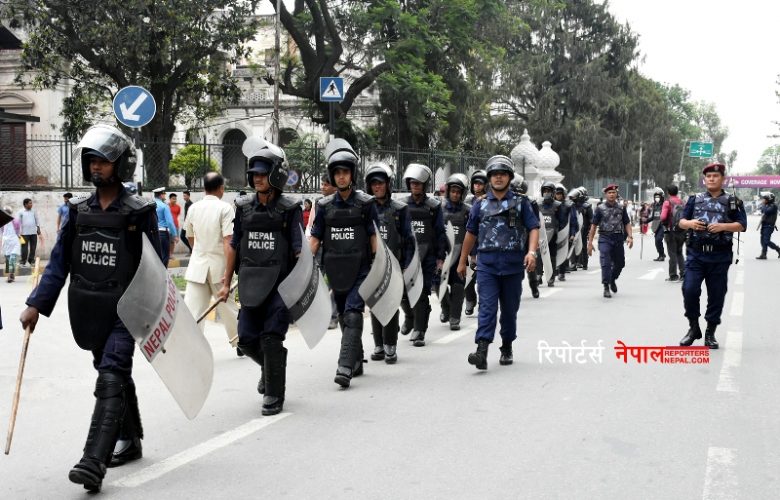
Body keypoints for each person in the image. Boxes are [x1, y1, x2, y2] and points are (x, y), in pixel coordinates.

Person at [19, 124, 162, 492]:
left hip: (125, 310)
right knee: (110, 370)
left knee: (111, 371)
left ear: (121, 165)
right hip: (89, 309)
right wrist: (36, 304)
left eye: (104, 161)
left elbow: (155, 267)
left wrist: (152, 314)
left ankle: (93, 461)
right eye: (91, 160)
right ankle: (130, 439)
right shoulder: (78, 211)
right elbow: (58, 264)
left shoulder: (140, 212)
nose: (96, 166)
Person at [219, 139, 302, 414]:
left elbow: (299, 250)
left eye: (263, 174)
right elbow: (234, 245)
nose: (257, 178)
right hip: (251, 283)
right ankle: (271, 367)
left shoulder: (289, 209)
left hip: (280, 286)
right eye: (254, 174)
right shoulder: (243, 207)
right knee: (245, 340)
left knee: (271, 338)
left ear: (276, 175)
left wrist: (303, 287)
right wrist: (225, 283)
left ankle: (274, 395)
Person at [457, 155, 539, 370]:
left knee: (509, 311)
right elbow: (470, 233)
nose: (498, 178)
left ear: (509, 177)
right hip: (487, 266)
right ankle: (481, 351)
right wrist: (462, 261)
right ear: (489, 178)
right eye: (494, 174)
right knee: (487, 307)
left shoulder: (521, 203)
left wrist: (531, 252)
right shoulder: (480, 204)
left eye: (503, 174)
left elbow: (533, 228)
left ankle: (507, 346)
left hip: (513, 266)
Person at [309, 139, 379, 388]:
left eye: (345, 172)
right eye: (337, 172)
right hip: (335, 270)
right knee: (342, 314)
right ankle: (357, 359)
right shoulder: (324, 206)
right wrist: (303, 265)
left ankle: (345, 366)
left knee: (353, 312)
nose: (341, 176)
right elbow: (315, 238)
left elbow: (373, 235)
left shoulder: (365, 204)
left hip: (361, 269)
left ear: (352, 174)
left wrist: (376, 264)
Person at [678, 162, 746, 348]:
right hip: (696, 255)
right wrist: (690, 223)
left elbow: (742, 225)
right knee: (689, 290)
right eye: (708, 176)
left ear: (723, 179)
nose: (711, 179)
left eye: (715, 176)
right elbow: (681, 221)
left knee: (717, 295)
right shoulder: (694, 199)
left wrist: (723, 226)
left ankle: (710, 332)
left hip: (720, 257)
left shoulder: (733, 201)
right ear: (704, 179)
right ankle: (693, 327)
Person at [183, 172, 240, 356]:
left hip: (197, 267)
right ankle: (240, 341)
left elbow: (189, 236)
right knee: (228, 308)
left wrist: (198, 252)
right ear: (221, 188)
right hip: (219, 267)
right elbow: (228, 241)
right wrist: (229, 271)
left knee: (193, 311)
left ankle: (192, 348)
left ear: (204, 188)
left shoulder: (194, 208)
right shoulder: (225, 208)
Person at [365, 162, 415, 363]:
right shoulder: (365, 208)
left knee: (391, 304)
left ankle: (390, 345)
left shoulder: (400, 209)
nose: (377, 187)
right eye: (374, 184)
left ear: (388, 184)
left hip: (395, 265)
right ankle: (378, 344)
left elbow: (409, 239)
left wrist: (407, 265)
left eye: (381, 183)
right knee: (375, 304)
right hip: (372, 266)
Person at [400, 163, 446, 347]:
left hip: (428, 257)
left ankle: (420, 331)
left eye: (418, 183)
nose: (415, 186)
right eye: (412, 183)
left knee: (421, 293)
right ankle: (410, 317)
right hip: (406, 256)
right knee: (403, 293)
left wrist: (440, 258)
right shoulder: (402, 205)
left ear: (425, 185)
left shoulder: (434, 206)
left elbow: (440, 233)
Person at [587, 184, 634, 298]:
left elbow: (627, 223)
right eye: (609, 193)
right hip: (605, 238)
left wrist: (630, 236)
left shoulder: (621, 208)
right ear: (606, 194)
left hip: (618, 238)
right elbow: (593, 226)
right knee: (606, 262)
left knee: (620, 263)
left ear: (616, 194)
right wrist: (590, 242)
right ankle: (606, 286)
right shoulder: (600, 208)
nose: (612, 194)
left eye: (613, 192)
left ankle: (612, 279)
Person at [439, 173, 471, 330]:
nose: (455, 194)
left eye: (458, 192)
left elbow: (472, 234)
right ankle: (446, 308)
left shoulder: (468, 211)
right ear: (448, 191)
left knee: (458, 287)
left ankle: (455, 318)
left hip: (460, 256)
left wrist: (473, 255)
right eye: (453, 191)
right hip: (442, 255)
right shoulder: (439, 209)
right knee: (439, 285)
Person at [534, 181, 565, 289]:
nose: (546, 193)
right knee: (539, 255)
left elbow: (562, 222)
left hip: (553, 235)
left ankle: (551, 276)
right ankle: (538, 275)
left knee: (551, 255)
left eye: (548, 191)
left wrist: (561, 233)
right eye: (545, 191)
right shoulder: (538, 205)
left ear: (553, 193)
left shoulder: (558, 205)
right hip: (541, 234)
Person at [464, 169, 487, 315]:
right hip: (469, 242)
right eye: (475, 183)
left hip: (485, 244)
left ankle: (482, 303)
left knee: (483, 279)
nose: (477, 186)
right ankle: (470, 300)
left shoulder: (490, 202)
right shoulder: (467, 202)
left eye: (480, 183)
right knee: (467, 276)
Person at [660, 185, 686, 280]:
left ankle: (673, 275)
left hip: (671, 231)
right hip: (682, 231)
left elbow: (663, 217)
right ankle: (683, 274)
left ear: (668, 192)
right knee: (679, 252)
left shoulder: (668, 202)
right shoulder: (682, 202)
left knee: (672, 254)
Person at [554, 184, 578, 281]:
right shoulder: (551, 204)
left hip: (565, 232)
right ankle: (553, 270)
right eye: (556, 194)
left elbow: (573, 221)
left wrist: (572, 233)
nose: (558, 195)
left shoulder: (569, 205)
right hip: (553, 232)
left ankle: (562, 273)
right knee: (553, 253)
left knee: (563, 253)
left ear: (563, 194)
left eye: (560, 194)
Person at [152, 187, 178, 267]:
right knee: (165, 256)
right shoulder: (164, 206)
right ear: (161, 195)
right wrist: (175, 235)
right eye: (164, 194)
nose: (165, 196)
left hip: (153, 233)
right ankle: (162, 273)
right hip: (163, 233)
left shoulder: (150, 205)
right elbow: (170, 222)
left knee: (156, 256)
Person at [571, 187, 594, 271]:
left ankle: (584, 264)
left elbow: (592, 220)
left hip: (584, 230)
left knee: (583, 246)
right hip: (574, 229)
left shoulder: (587, 207)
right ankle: (573, 263)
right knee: (573, 247)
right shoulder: (572, 206)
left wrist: (590, 231)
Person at [17, 198, 40, 267]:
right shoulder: (20, 212)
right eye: (30, 203)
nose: (31, 204)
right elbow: (18, 223)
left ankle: (31, 260)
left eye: (31, 203)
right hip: (24, 233)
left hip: (33, 232)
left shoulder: (34, 211)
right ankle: (23, 261)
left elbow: (37, 220)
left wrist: (38, 228)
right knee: (24, 248)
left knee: (33, 247)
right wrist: (18, 233)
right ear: (25, 204)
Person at [756, 192, 780, 259]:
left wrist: (763, 206)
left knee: (766, 241)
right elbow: (762, 210)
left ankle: (778, 249)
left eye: (764, 199)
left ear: (769, 199)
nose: (763, 200)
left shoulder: (773, 206)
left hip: (769, 226)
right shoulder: (767, 205)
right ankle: (763, 254)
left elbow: (766, 211)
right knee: (762, 241)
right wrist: (764, 205)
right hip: (764, 225)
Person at [2, 206, 21, 282]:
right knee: (8, 258)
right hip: (6, 241)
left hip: (14, 241)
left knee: (12, 258)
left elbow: (18, 231)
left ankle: (10, 276)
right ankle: (11, 273)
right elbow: (1, 232)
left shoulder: (16, 221)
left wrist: (19, 236)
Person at [649, 188, 666, 261]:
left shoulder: (665, 205)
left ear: (662, 197)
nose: (657, 198)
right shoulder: (655, 205)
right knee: (656, 241)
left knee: (659, 239)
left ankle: (662, 255)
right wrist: (645, 221)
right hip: (656, 226)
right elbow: (653, 217)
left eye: (658, 197)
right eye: (655, 197)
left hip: (663, 225)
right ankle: (661, 254)